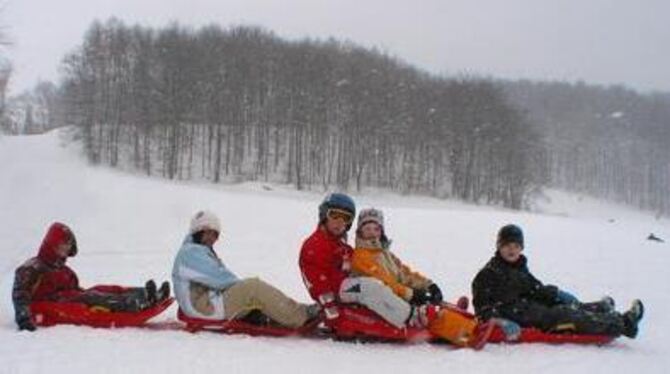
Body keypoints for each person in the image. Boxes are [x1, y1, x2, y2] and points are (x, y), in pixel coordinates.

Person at [299, 194, 490, 347]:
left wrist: (426, 286)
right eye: (334, 215)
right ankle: (414, 316)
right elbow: (318, 284)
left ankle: (453, 313)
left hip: (352, 289)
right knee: (371, 286)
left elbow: (401, 272)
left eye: (346, 218)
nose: (340, 222)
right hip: (336, 293)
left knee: (379, 286)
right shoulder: (315, 246)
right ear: (324, 215)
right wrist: (332, 313)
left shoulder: (344, 246)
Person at [472, 224, 644, 340]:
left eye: (516, 246)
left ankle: (600, 308)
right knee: (567, 315)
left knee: (560, 302)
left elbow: (535, 289)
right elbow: (482, 309)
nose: (512, 250)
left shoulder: (518, 267)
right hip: (526, 319)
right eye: (507, 245)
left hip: (532, 309)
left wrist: (556, 293)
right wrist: (500, 321)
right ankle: (624, 323)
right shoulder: (488, 274)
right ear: (499, 247)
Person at [172, 210, 319, 328]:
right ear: (198, 232)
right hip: (204, 307)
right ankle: (300, 316)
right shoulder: (191, 253)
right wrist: (243, 290)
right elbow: (220, 278)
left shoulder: (195, 251)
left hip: (205, 302)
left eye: (215, 235)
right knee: (253, 288)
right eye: (208, 232)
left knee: (250, 290)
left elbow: (217, 279)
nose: (212, 238)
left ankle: (274, 314)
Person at [13, 222, 170, 331]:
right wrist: (24, 318)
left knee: (99, 290)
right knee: (92, 298)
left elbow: (74, 288)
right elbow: (20, 293)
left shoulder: (62, 269)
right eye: (61, 247)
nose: (64, 251)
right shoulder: (33, 267)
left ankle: (145, 294)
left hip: (67, 297)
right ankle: (138, 304)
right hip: (47, 306)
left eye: (66, 248)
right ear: (51, 245)